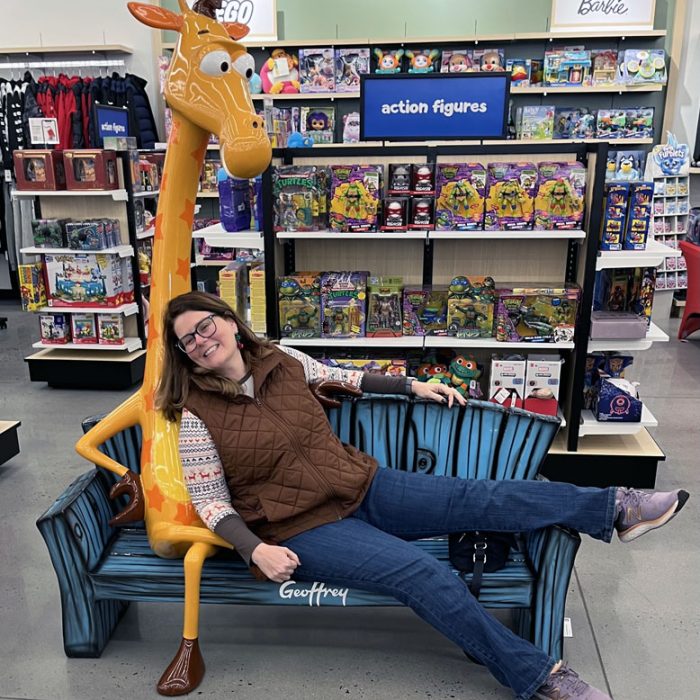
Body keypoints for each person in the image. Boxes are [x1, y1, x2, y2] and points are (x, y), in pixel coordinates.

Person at [157, 291, 689, 700]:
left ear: (228, 320)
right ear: (184, 355)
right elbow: (212, 503)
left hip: (360, 483)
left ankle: (614, 508)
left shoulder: (282, 360)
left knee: (480, 497)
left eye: (206, 325)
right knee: (423, 573)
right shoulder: (196, 416)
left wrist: (412, 385)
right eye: (189, 340)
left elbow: (343, 377)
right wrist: (255, 549)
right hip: (303, 528)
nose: (203, 340)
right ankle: (541, 677)